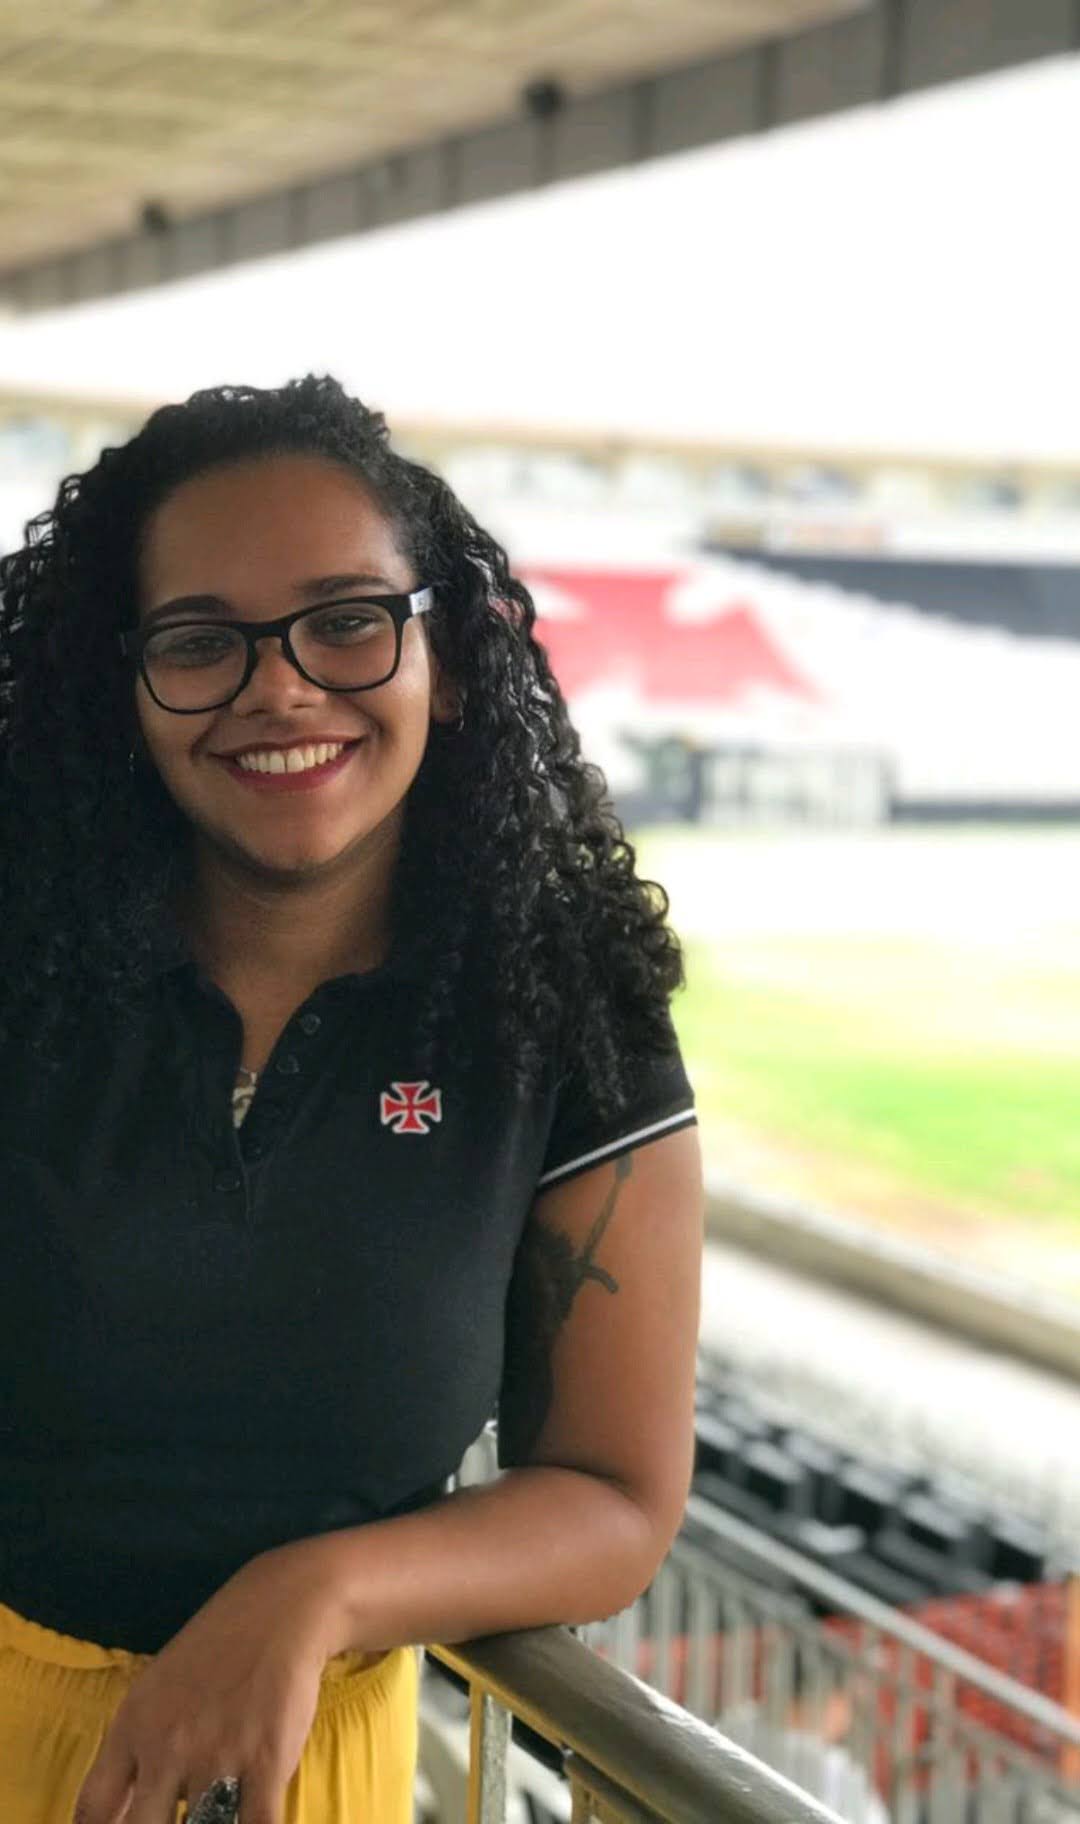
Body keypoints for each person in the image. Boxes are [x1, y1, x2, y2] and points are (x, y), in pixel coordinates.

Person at [0, 376, 704, 1824]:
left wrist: (318, 1592)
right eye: (200, 641)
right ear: (122, 688)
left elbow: (619, 1500)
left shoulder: (563, 1015)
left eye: (346, 621)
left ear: (446, 655)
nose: (280, 688)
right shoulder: (20, 965)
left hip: (312, 1775)